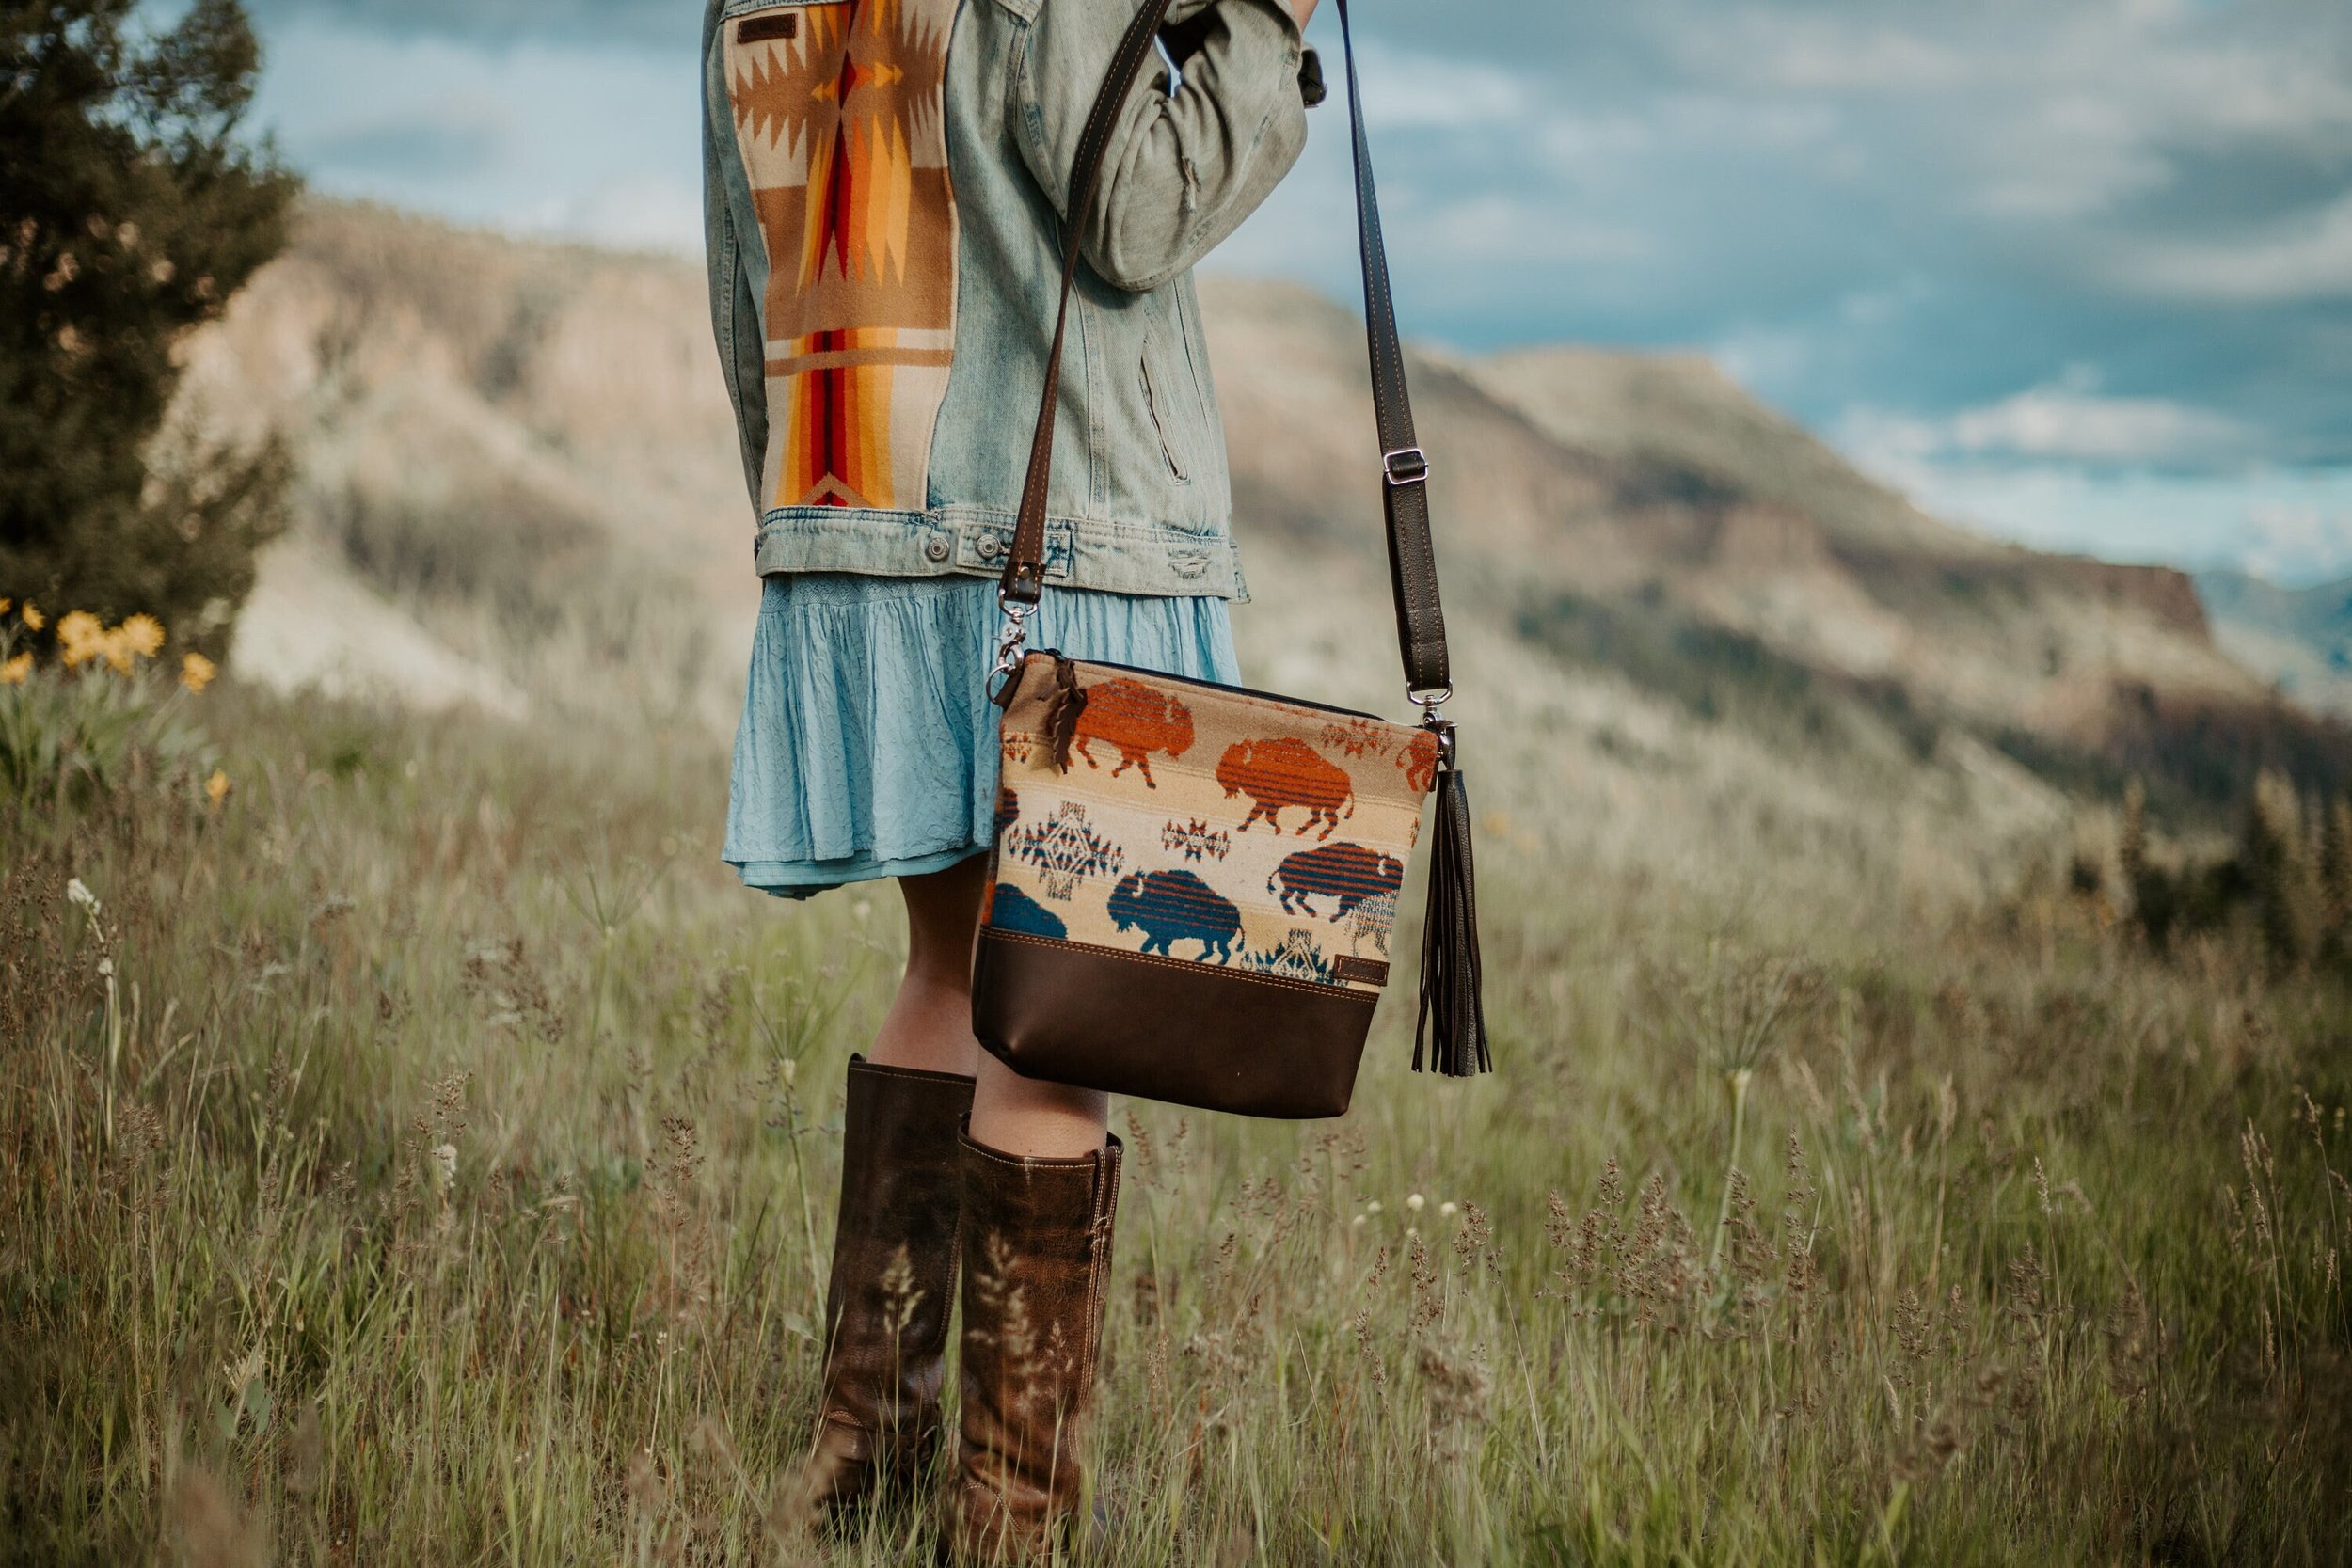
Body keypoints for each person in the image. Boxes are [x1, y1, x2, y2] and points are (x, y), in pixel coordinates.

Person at [699, 0, 1323, 1555]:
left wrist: (819, 535)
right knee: (1052, 1040)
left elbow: (741, 280)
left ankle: (863, 1479)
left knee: (944, 969)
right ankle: (1009, 1533)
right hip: (1066, 548)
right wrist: (1261, 21)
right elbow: (1138, 206)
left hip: (855, 514)